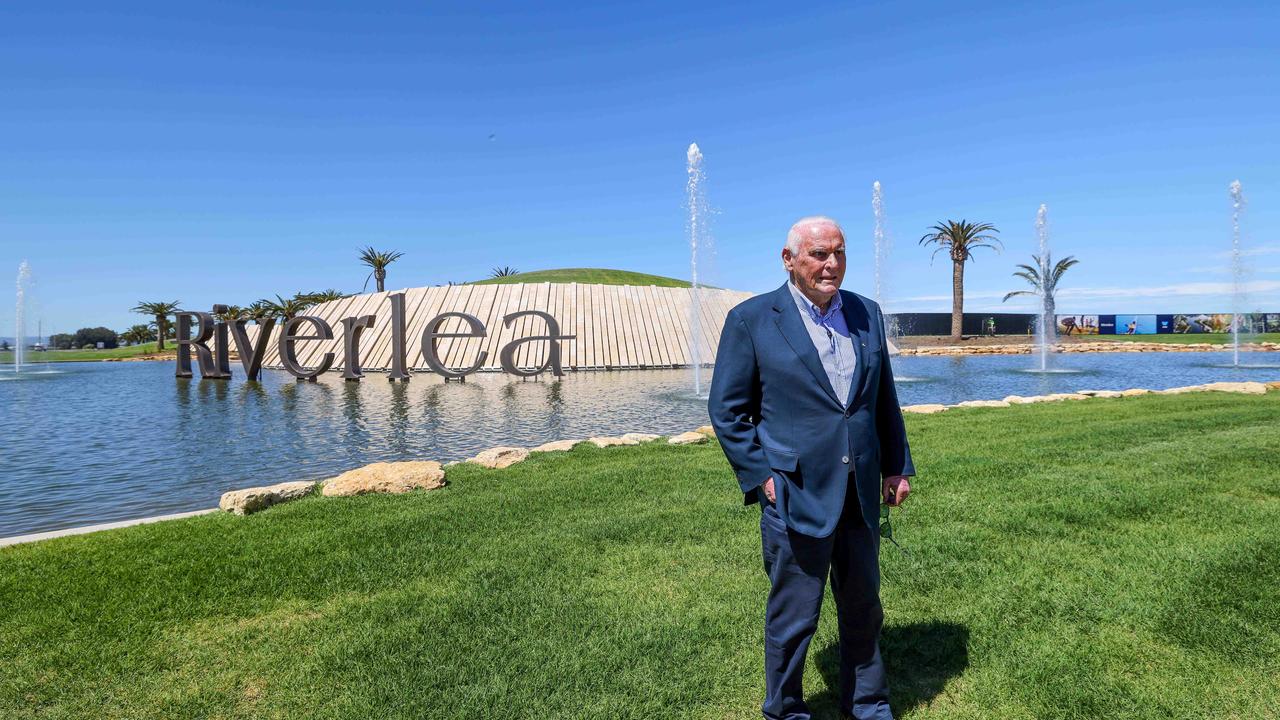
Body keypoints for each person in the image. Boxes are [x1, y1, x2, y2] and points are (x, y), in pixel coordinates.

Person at [708, 216, 915, 720]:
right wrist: (760, 475)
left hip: (860, 490)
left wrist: (896, 466)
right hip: (795, 491)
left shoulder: (866, 313)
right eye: (819, 254)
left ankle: (868, 705)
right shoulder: (751, 320)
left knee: (864, 607)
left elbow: (881, 399)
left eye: (839, 253)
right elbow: (727, 410)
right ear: (789, 260)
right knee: (794, 617)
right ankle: (785, 711)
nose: (831, 264)